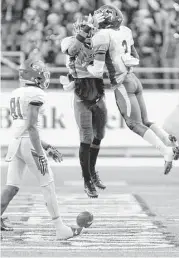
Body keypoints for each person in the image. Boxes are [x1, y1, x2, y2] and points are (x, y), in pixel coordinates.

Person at [86, 5, 179, 174]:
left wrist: (86, 66)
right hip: (134, 80)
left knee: (134, 124)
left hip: (122, 83)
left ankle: (166, 151)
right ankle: (169, 141)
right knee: (145, 121)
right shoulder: (126, 31)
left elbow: (97, 70)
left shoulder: (102, 35)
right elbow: (135, 58)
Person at [1, 58, 83, 239]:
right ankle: (60, 229)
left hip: (16, 144)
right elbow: (30, 126)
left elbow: (24, 127)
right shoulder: (35, 94)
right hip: (28, 144)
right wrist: (40, 152)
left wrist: (47, 146)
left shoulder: (17, 92)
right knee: (48, 185)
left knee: (12, 186)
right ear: (37, 76)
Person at [60, 13, 107, 198]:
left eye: (89, 28)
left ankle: (93, 171)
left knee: (100, 135)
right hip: (81, 92)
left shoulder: (98, 41)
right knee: (86, 136)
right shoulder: (69, 41)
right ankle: (87, 180)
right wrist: (87, 28)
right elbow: (72, 51)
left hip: (97, 91)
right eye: (84, 28)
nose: (87, 32)